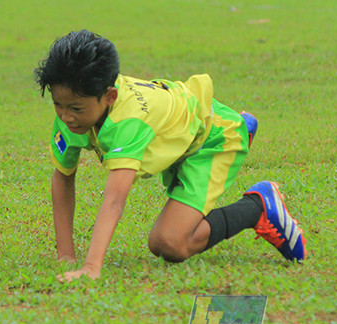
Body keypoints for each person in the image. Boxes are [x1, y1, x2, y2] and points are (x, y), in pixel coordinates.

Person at [34, 30, 307, 281]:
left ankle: (258, 206)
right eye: (58, 104)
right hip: (181, 133)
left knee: (169, 243)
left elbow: (115, 199)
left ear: (110, 97)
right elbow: (63, 178)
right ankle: (242, 125)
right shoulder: (72, 110)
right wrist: (66, 256)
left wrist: (91, 268)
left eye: (76, 108)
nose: (66, 116)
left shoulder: (128, 121)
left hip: (211, 140)